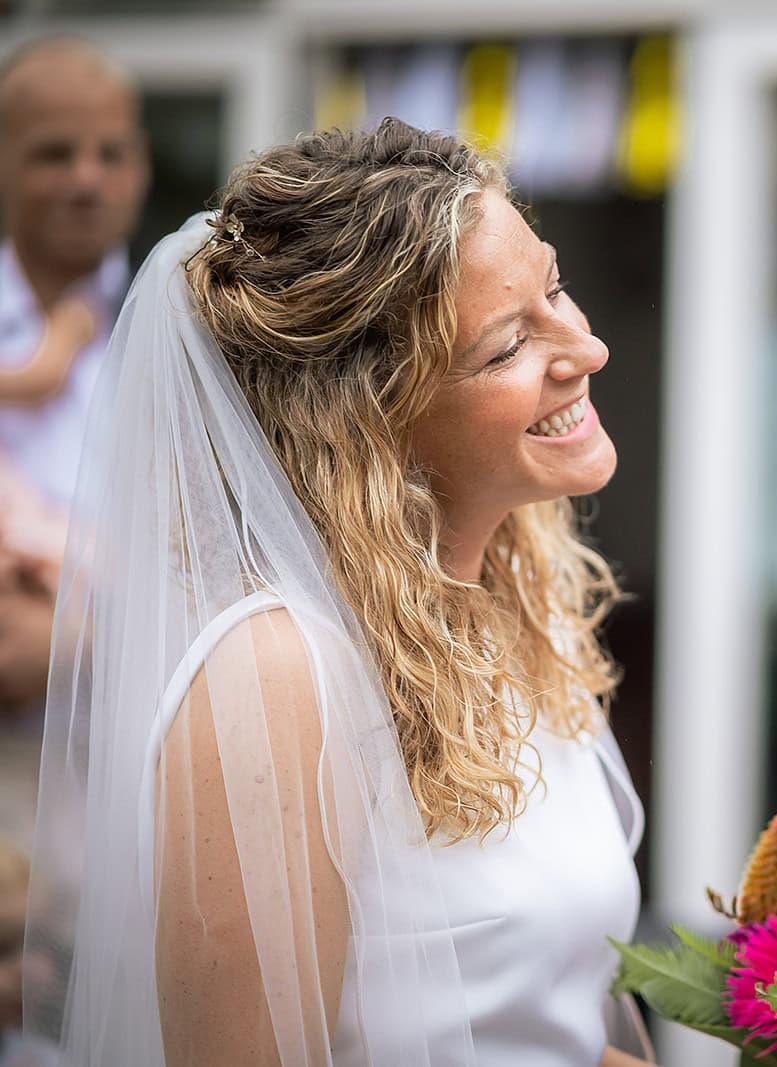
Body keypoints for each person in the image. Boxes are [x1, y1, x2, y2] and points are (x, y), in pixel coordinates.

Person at [22, 120, 653, 1065]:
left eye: (554, 287)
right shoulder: (276, 678)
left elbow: (549, 1028)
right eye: (508, 346)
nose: (588, 347)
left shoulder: (521, 612)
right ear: (368, 423)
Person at [0, 37, 147, 849]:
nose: (87, 178)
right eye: (55, 153)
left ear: (141, 165)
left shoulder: (202, 329)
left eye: (109, 153)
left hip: (143, 787)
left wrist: (79, 643)